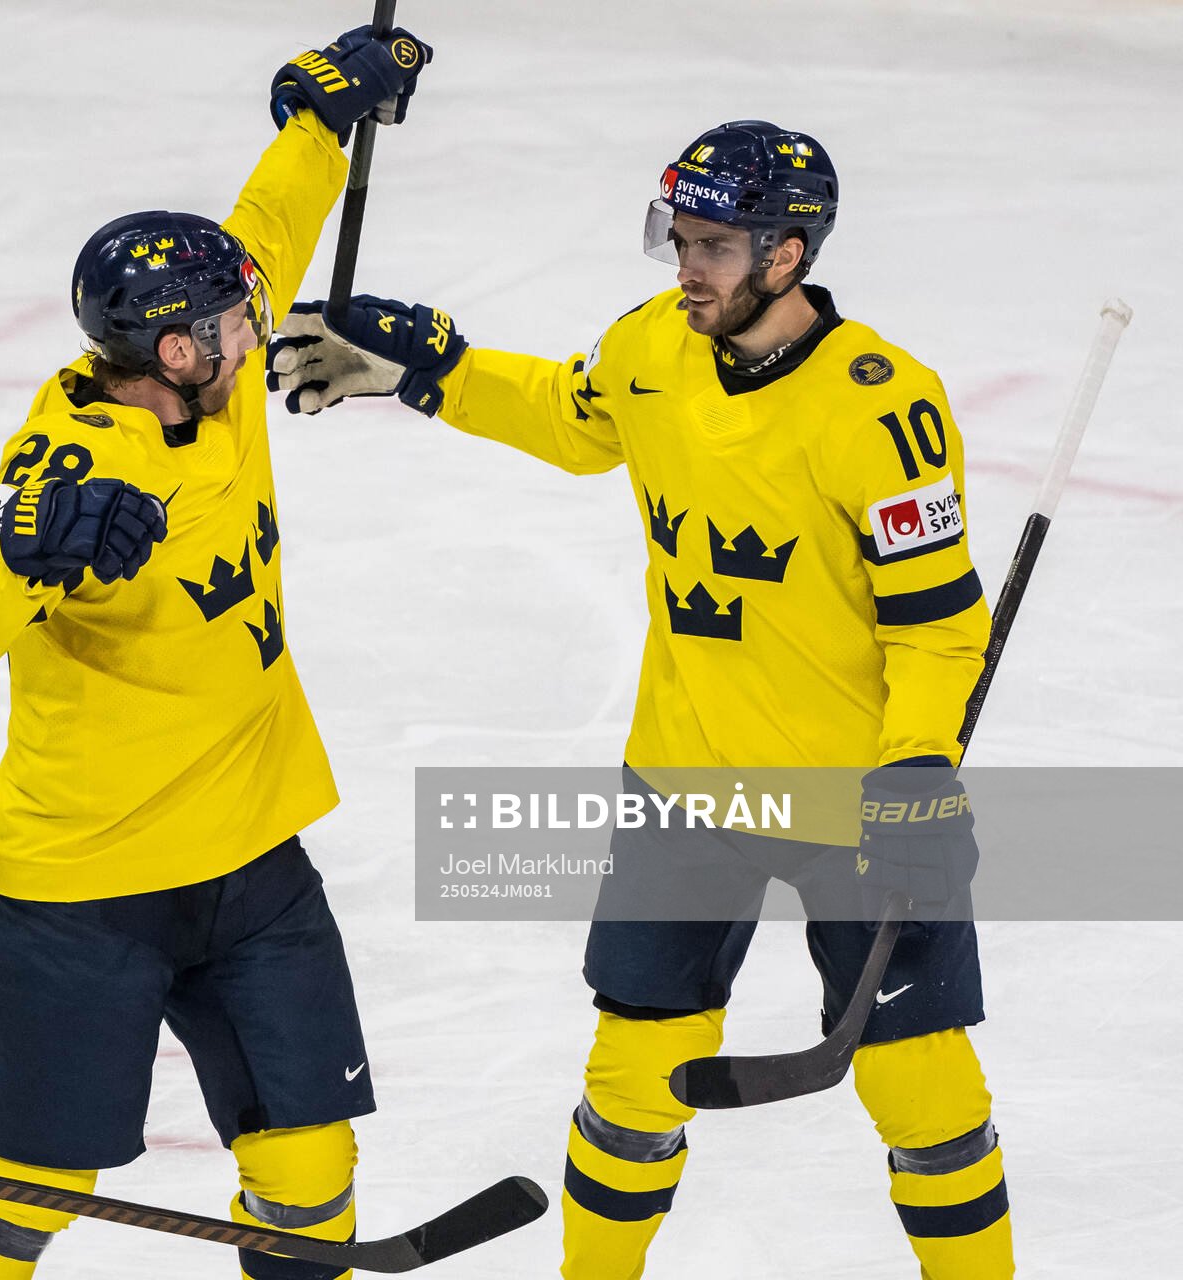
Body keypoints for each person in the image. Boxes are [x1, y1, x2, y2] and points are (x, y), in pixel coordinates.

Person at [268, 121, 1011, 1276]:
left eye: (716, 244)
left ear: (789, 253)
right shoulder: (654, 344)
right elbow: (576, 416)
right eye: (681, 236)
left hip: (854, 793)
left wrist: (916, 768)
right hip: (685, 778)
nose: (687, 265)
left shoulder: (883, 407)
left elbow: (936, 625)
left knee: (922, 1082)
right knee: (631, 1076)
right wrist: (430, 374)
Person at [0, 25, 430, 1280]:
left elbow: (269, 228)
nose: (265, 322)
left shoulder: (217, 379)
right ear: (178, 349)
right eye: (238, 318)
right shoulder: (71, 465)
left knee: (308, 1171)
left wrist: (322, 114)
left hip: (249, 856)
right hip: (86, 882)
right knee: (27, 1192)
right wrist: (27, 552)